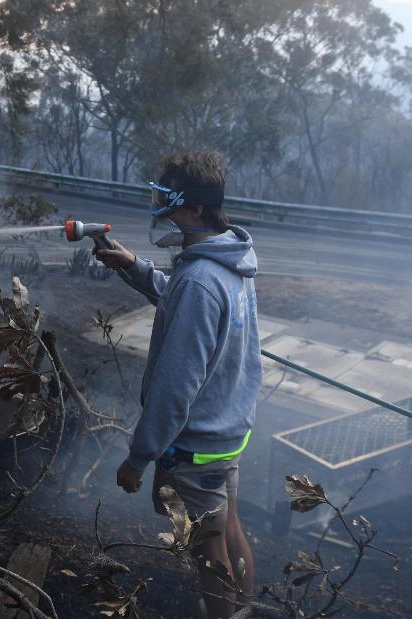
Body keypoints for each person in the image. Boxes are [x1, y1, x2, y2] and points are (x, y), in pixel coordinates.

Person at [93, 150, 261, 619]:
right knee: (229, 533)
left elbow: (175, 386)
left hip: (196, 447)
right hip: (227, 432)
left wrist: (139, 457)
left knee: (210, 555)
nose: (160, 207)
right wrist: (133, 266)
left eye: (167, 198)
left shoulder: (200, 280)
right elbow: (184, 301)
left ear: (194, 208)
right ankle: (244, 612)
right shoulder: (229, 256)